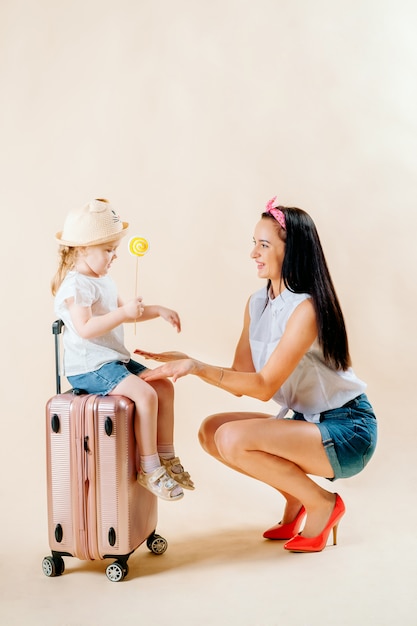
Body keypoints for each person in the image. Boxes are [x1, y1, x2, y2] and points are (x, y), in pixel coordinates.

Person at [138, 196, 377, 552]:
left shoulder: (306, 308)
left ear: (291, 251)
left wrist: (197, 367)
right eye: (254, 243)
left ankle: (323, 504)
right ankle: (296, 498)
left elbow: (264, 388)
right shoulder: (258, 302)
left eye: (263, 244)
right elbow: (240, 378)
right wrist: (189, 361)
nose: (253, 253)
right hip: (306, 422)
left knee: (233, 439)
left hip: (346, 430)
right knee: (211, 431)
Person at [51, 198, 194, 501]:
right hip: (90, 367)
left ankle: (166, 456)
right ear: (82, 249)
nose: (114, 256)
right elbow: (86, 327)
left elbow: (129, 311)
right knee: (145, 394)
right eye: (108, 250)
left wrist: (158, 310)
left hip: (112, 361)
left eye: (114, 249)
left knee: (163, 386)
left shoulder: (103, 279)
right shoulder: (75, 286)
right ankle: (149, 466)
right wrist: (124, 314)